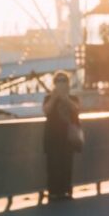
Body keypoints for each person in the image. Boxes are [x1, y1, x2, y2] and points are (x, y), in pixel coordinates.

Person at [42, 70, 81, 202]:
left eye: (64, 80)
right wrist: (54, 97)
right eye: (58, 81)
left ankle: (66, 190)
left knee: (67, 164)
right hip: (52, 137)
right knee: (52, 165)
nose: (61, 83)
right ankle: (53, 192)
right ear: (54, 83)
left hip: (68, 138)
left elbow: (76, 109)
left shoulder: (74, 98)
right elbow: (46, 110)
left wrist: (65, 98)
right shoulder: (48, 98)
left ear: (68, 83)